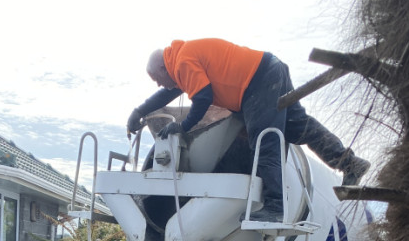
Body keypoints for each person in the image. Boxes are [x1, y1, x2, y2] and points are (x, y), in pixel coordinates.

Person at [127, 39, 370, 223]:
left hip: (259, 81)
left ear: (162, 67)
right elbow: (168, 92)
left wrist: (182, 126)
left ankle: (276, 206)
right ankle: (350, 163)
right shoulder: (180, 60)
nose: (158, 84)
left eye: (156, 78)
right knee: (299, 128)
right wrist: (139, 112)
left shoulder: (182, 61)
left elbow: (202, 98)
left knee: (265, 140)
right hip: (269, 71)